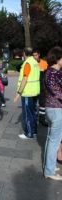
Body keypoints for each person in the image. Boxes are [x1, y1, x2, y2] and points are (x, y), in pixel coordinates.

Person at [43, 46, 62, 181]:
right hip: (57, 109)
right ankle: (49, 170)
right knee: (54, 141)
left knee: (51, 139)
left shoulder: (49, 72)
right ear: (58, 58)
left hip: (51, 109)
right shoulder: (54, 73)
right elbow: (58, 92)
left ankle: (48, 165)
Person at [14, 47, 40, 139]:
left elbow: (25, 78)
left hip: (27, 92)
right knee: (33, 112)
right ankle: (34, 130)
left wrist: (18, 92)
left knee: (27, 114)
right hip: (35, 91)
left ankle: (28, 133)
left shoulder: (27, 63)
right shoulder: (35, 62)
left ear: (24, 53)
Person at [33, 49, 48, 127]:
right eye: (33, 55)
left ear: (39, 54)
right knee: (34, 104)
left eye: (35, 55)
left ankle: (42, 119)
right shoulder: (32, 63)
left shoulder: (44, 63)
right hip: (34, 87)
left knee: (42, 104)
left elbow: (47, 76)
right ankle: (34, 118)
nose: (34, 56)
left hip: (42, 87)